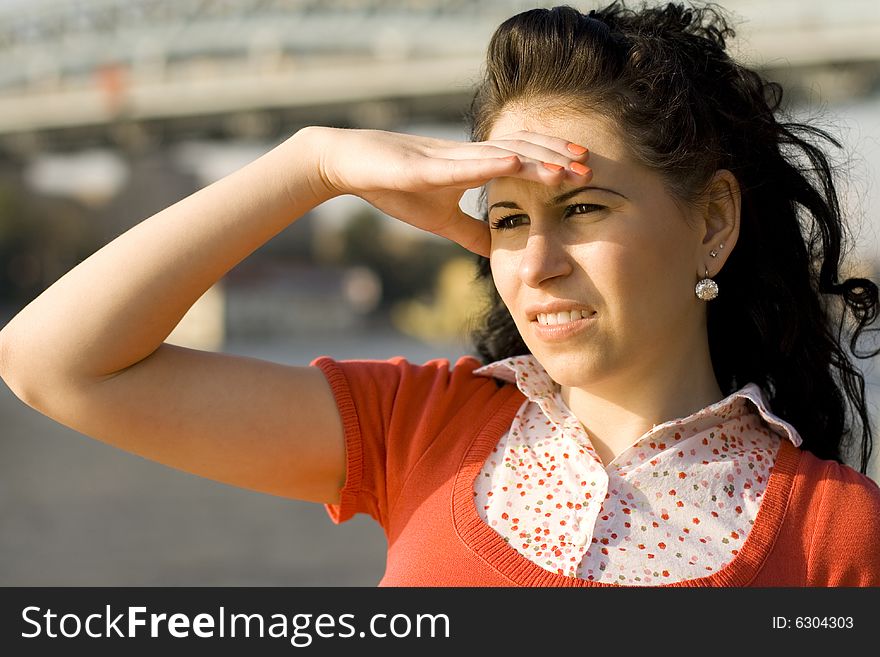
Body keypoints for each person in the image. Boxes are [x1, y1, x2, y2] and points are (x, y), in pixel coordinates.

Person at [1, 1, 879, 586]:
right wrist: (311, 164)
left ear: (713, 221)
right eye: (506, 221)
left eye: (581, 207)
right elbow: (55, 364)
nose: (536, 263)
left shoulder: (839, 536)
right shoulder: (422, 429)